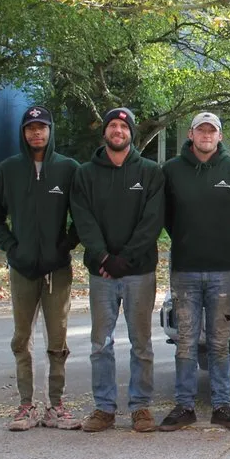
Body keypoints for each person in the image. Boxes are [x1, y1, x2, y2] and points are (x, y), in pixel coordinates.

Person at [0, 106, 82, 431]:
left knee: (58, 339)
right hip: (23, 269)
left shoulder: (68, 169)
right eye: (31, 128)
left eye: (42, 128)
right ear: (23, 133)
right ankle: (25, 406)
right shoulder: (8, 170)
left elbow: (82, 216)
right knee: (21, 338)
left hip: (57, 271)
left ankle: (56, 406)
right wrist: (13, 249)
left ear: (50, 131)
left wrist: (65, 246)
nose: (36, 133)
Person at [71, 108, 164, 433]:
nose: (118, 131)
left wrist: (125, 258)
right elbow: (83, 220)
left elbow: (152, 220)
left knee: (141, 342)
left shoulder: (151, 172)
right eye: (113, 125)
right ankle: (104, 408)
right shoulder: (85, 174)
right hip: (102, 274)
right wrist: (103, 259)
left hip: (139, 272)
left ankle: (141, 407)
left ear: (131, 134)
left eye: (123, 127)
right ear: (105, 133)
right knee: (101, 342)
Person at [158, 112, 230, 432]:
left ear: (220, 136)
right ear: (191, 134)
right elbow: (166, 217)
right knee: (186, 341)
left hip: (223, 270)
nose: (207, 135)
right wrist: (186, 239)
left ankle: (222, 406)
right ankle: (184, 406)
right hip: (184, 270)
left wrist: (220, 241)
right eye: (201, 130)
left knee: (219, 342)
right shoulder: (171, 171)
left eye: (212, 130)